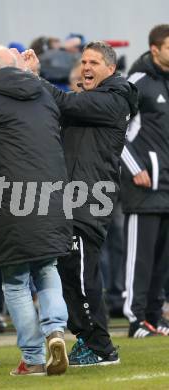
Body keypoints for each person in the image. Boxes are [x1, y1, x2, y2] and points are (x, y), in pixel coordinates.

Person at [24, 41, 138, 366]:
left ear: (110, 69)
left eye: (94, 62)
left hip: (89, 199)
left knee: (84, 275)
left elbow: (62, 101)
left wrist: (34, 75)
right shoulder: (93, 98)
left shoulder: (114, 100)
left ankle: (101, 348)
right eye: (84, 61)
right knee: (70, 271)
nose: (87, 66)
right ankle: (88, 341)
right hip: (71, 198)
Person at [0, 45, 70, 376]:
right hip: (54, 195)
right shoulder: (45, 94)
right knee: (48, 268)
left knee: (16, 280)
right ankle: (55, 331)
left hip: (11, 200)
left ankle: (34, 357)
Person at [120, 24, 169, 338]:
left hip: (167, 187)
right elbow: (116, 133)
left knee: (162, 260)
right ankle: (135, 318)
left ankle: (155, 315)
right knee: (140, 258)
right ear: (155, 49)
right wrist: (136, 167)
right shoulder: (137, 82)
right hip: (143, 186)